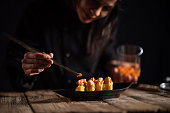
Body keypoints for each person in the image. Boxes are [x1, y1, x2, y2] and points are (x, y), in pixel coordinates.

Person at [6, 0, 137, 91]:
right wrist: (26, 68)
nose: (97, 13)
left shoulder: (107, 22)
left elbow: (107, 50)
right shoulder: (38, 12)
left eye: (106, 8)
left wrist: (113, 66)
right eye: (94, 1)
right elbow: (15, 59)